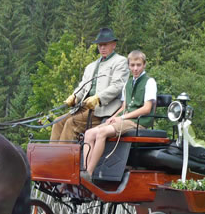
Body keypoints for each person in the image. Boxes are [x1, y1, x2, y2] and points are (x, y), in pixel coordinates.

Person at [81, 50, 156, 182]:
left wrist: (122, 118)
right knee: (89, 133)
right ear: (128, 66)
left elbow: (146, 108)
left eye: (138, 65)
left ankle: (89, 173)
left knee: (102, 132)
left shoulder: (149, 82)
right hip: (125, 119)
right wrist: (113, 117)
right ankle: (85, 170)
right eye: (132, 65)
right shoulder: (127, 84)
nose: (135, 68)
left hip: (139, 122)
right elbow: (124, 107)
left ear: (144, 65)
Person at [50, 28, 129, 142]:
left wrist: (98, 98)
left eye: (105, 45)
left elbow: (117, 86)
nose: (102, 48)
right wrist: (74, 97)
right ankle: (51, 156)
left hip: (103, 110)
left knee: (71, 123)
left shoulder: (120, 62)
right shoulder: (91, 66)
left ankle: (63, 158)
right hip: (84, 108)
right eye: (100, 45)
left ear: (114, 45)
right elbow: (83, 86)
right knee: (57, 122)